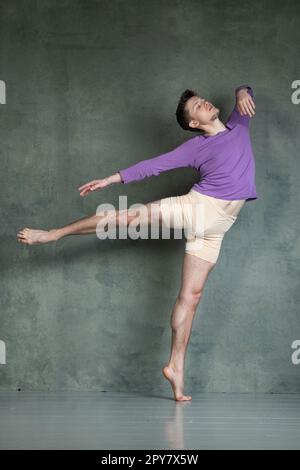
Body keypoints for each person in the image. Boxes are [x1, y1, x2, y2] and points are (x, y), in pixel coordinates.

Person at [17, 85, 257, 402]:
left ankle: (175, 367)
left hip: (219, 226)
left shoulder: (240, 123)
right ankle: (53, 234)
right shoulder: (196, 147)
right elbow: (152, 165)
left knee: (191, 296)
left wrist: (242, 91)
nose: (205, 103)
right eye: (197, 106)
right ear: (194, 123)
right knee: (126, 219)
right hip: (199, 208)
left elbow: (246, 90)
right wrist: (110, 179)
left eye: (202, 100)